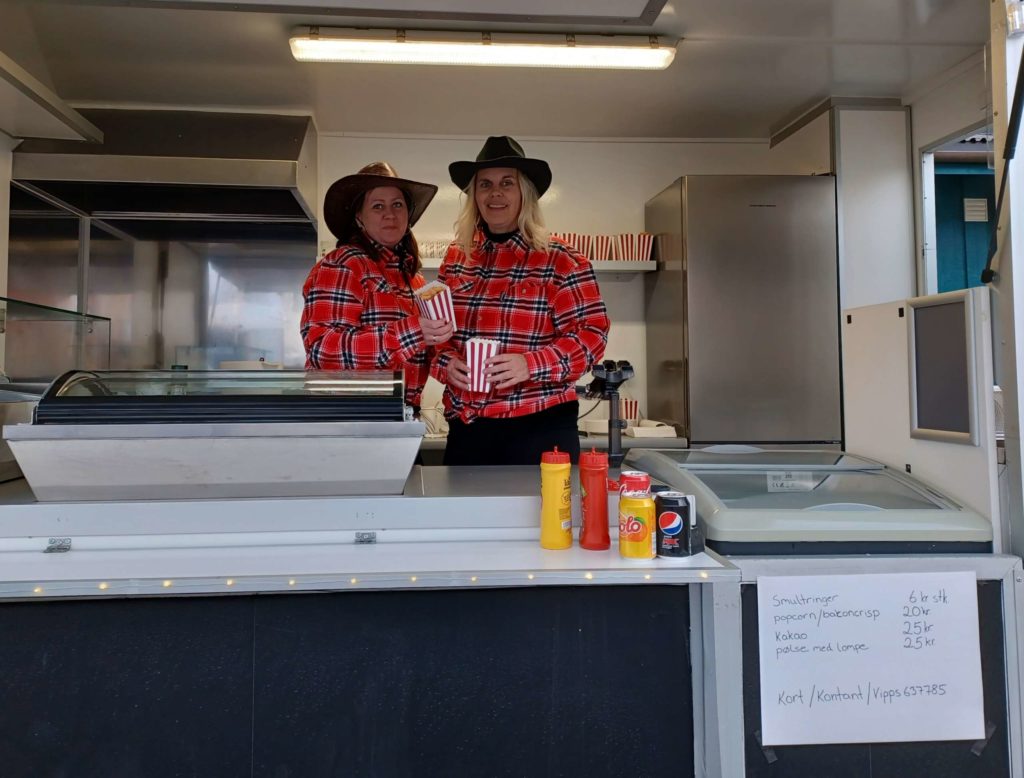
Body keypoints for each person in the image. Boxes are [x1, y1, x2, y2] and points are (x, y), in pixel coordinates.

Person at [432, 136, 610, 465]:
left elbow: (591, 337)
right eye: (484, 184)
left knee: (544, 518)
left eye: (506, 183)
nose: (495, 193)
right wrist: (446, 364)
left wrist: (529, 364)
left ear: (525, 193)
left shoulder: (562, 260)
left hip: (541, 426)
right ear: (475, 196)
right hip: (470, 426)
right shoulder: (458, 258)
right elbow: (436, 333)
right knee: (464, 518)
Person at [301, 162, 453, 411]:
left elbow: (422, 354)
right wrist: (413, 332)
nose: (390, 214)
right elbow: (323, 349)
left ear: (408, 215)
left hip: (398, 416)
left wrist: (447, 359)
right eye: (377, 206)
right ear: (359, 216)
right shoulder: (344, 264)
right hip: (350, 417)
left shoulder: (413, 280)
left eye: (397, 205)